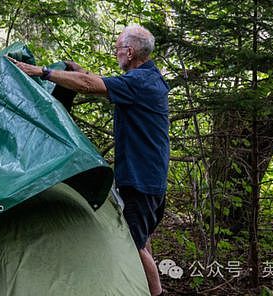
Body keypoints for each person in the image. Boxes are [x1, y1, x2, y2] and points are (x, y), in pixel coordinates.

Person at [9, 24, 169, 296]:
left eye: (118, 49)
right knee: (142, 238)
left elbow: (89, 86)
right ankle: (145, 288)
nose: (116, 53)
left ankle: (156, 293)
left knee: (133, 245)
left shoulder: (139, 82)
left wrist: (43, 72)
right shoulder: (148, 79)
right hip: (149, 177)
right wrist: (81, 71)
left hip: (141, 179)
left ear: (129, 52)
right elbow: (99, 82)